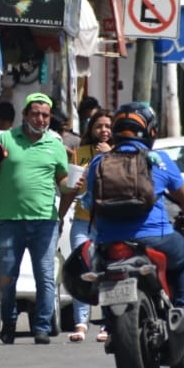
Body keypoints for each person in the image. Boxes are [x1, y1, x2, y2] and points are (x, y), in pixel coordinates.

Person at [83, 102, 184, 339]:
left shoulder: (99, 162)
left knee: (103, 271)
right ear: (150, 131)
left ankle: (110, 323)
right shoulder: (159, 160)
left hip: (109, 241)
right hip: (155, 239)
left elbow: (89, 203)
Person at [0, 91, 73, 344]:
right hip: (10, 221)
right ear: (24, 115)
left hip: (45, 221)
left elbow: (63, 182)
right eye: (36, 113)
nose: (41, 119)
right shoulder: (5, 139)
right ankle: (8, 324)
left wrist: (75, 185)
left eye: (45, 115)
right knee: (7, 277)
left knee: (45, 276)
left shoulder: (55, 145)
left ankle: (41, 327)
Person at [57, 107, 113, 342]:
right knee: (83, 271)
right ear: (91, 129)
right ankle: (81, 323)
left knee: (109, 273)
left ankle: (108, 324)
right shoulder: (80, 153)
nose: (104, 130)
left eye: (108, 126)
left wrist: (108, 156)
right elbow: (71, 190)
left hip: (109, 224)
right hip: (82, 221)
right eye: (99, 126)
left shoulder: (120, 153)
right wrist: (59, 217)